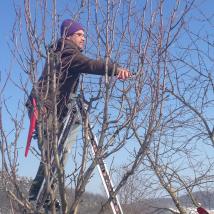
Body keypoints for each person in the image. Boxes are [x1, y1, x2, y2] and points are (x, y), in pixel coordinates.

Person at [27, 19, 131, 207]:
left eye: (84, 35)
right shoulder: (66, 52)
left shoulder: (62, 53)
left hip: (51, 109)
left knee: (56, 154)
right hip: (43, 108)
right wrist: (116, 70)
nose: (84, 38)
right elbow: (90, 64)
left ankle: (43, 196)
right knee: (53, 155)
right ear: (68, 36)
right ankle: (39, 198)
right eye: (79, 34)